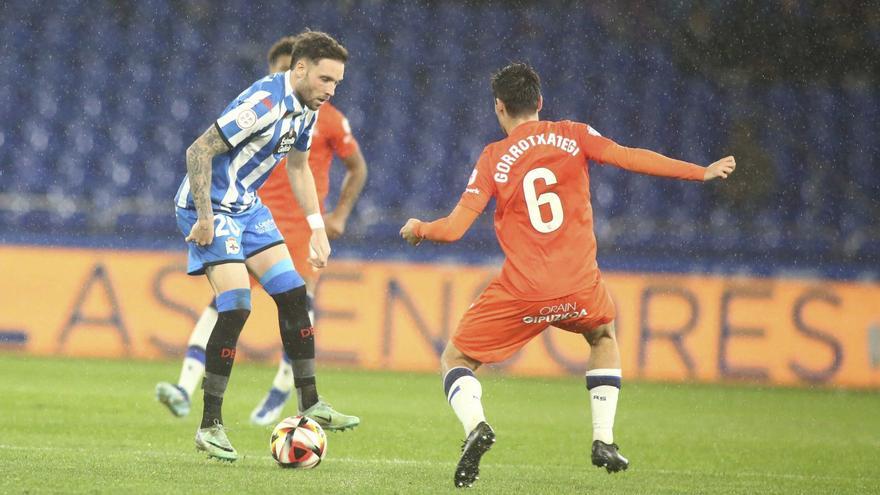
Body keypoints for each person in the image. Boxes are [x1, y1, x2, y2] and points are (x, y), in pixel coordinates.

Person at [400, 63, 736, 488]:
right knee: (603, 336)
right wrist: (699, 171)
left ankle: (476, 427)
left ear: (499, 108)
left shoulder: (494, 158)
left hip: (523, 288)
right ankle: (603, 440)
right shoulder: (574, 134)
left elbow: (452, 230)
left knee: (456, 359)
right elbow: (630, 158)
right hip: (579, 285)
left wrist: (419, 229)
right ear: (540, 102)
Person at [155, 35, 367, 429]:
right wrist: (204, 218)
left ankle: (310, 403)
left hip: (247, 206)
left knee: (293, 295)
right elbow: (198, 151)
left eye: (337, 82)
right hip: (210, 206)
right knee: (236, 306)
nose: (331, 90)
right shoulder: (265, 104)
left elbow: (299, 168)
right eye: (325, 79)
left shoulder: (310, 109)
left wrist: (317, 227)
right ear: (299, 68)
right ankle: (210, 426)